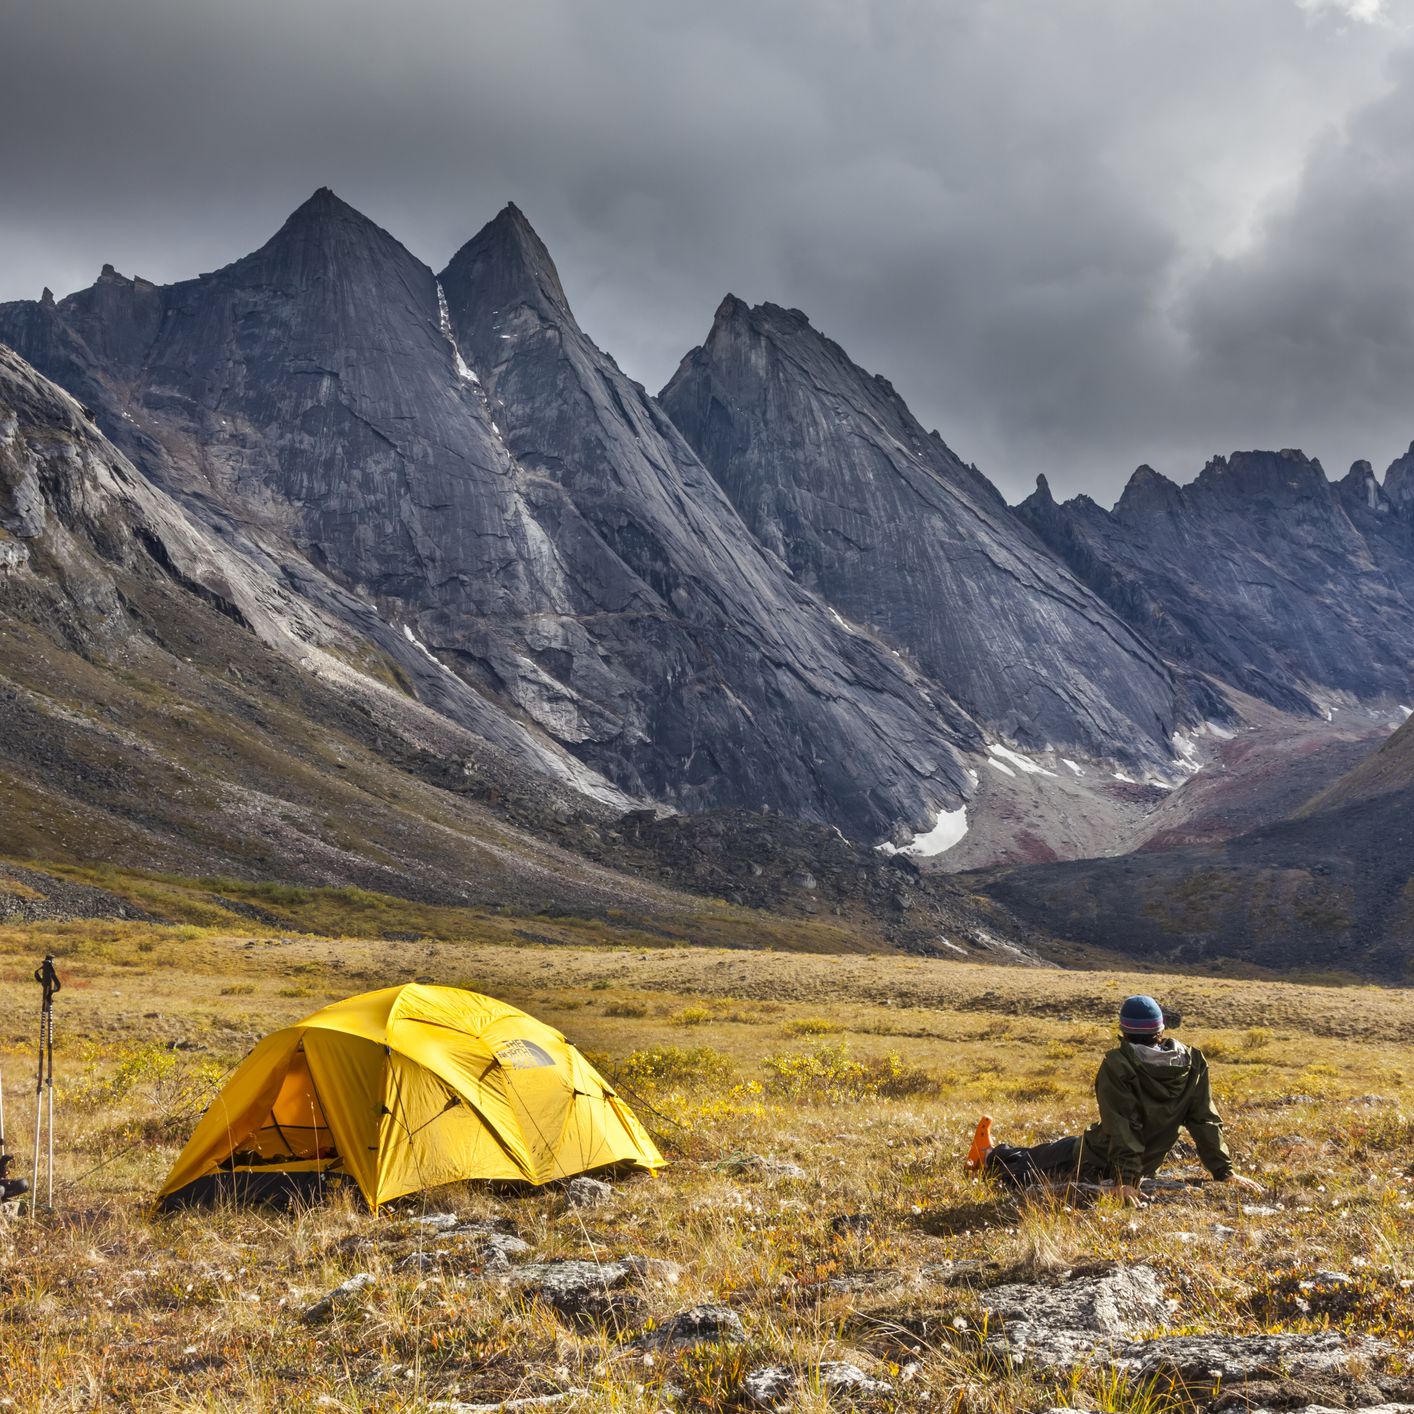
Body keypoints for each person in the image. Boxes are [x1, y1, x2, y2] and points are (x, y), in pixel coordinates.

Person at [965, 994, 1263, 1203]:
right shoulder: (1192, 1061)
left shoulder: (1119, 1065)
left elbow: (1123, 1128)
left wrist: (1125, 1182)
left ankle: (988, 1156)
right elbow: (1204, 1121)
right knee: (1047, 1155)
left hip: (1100, 1156)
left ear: (1124, 1031)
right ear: (1161, 1029)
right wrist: (1224, 1172)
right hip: (1143, 1163)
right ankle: (990, 1152)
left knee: (1035, 1166)